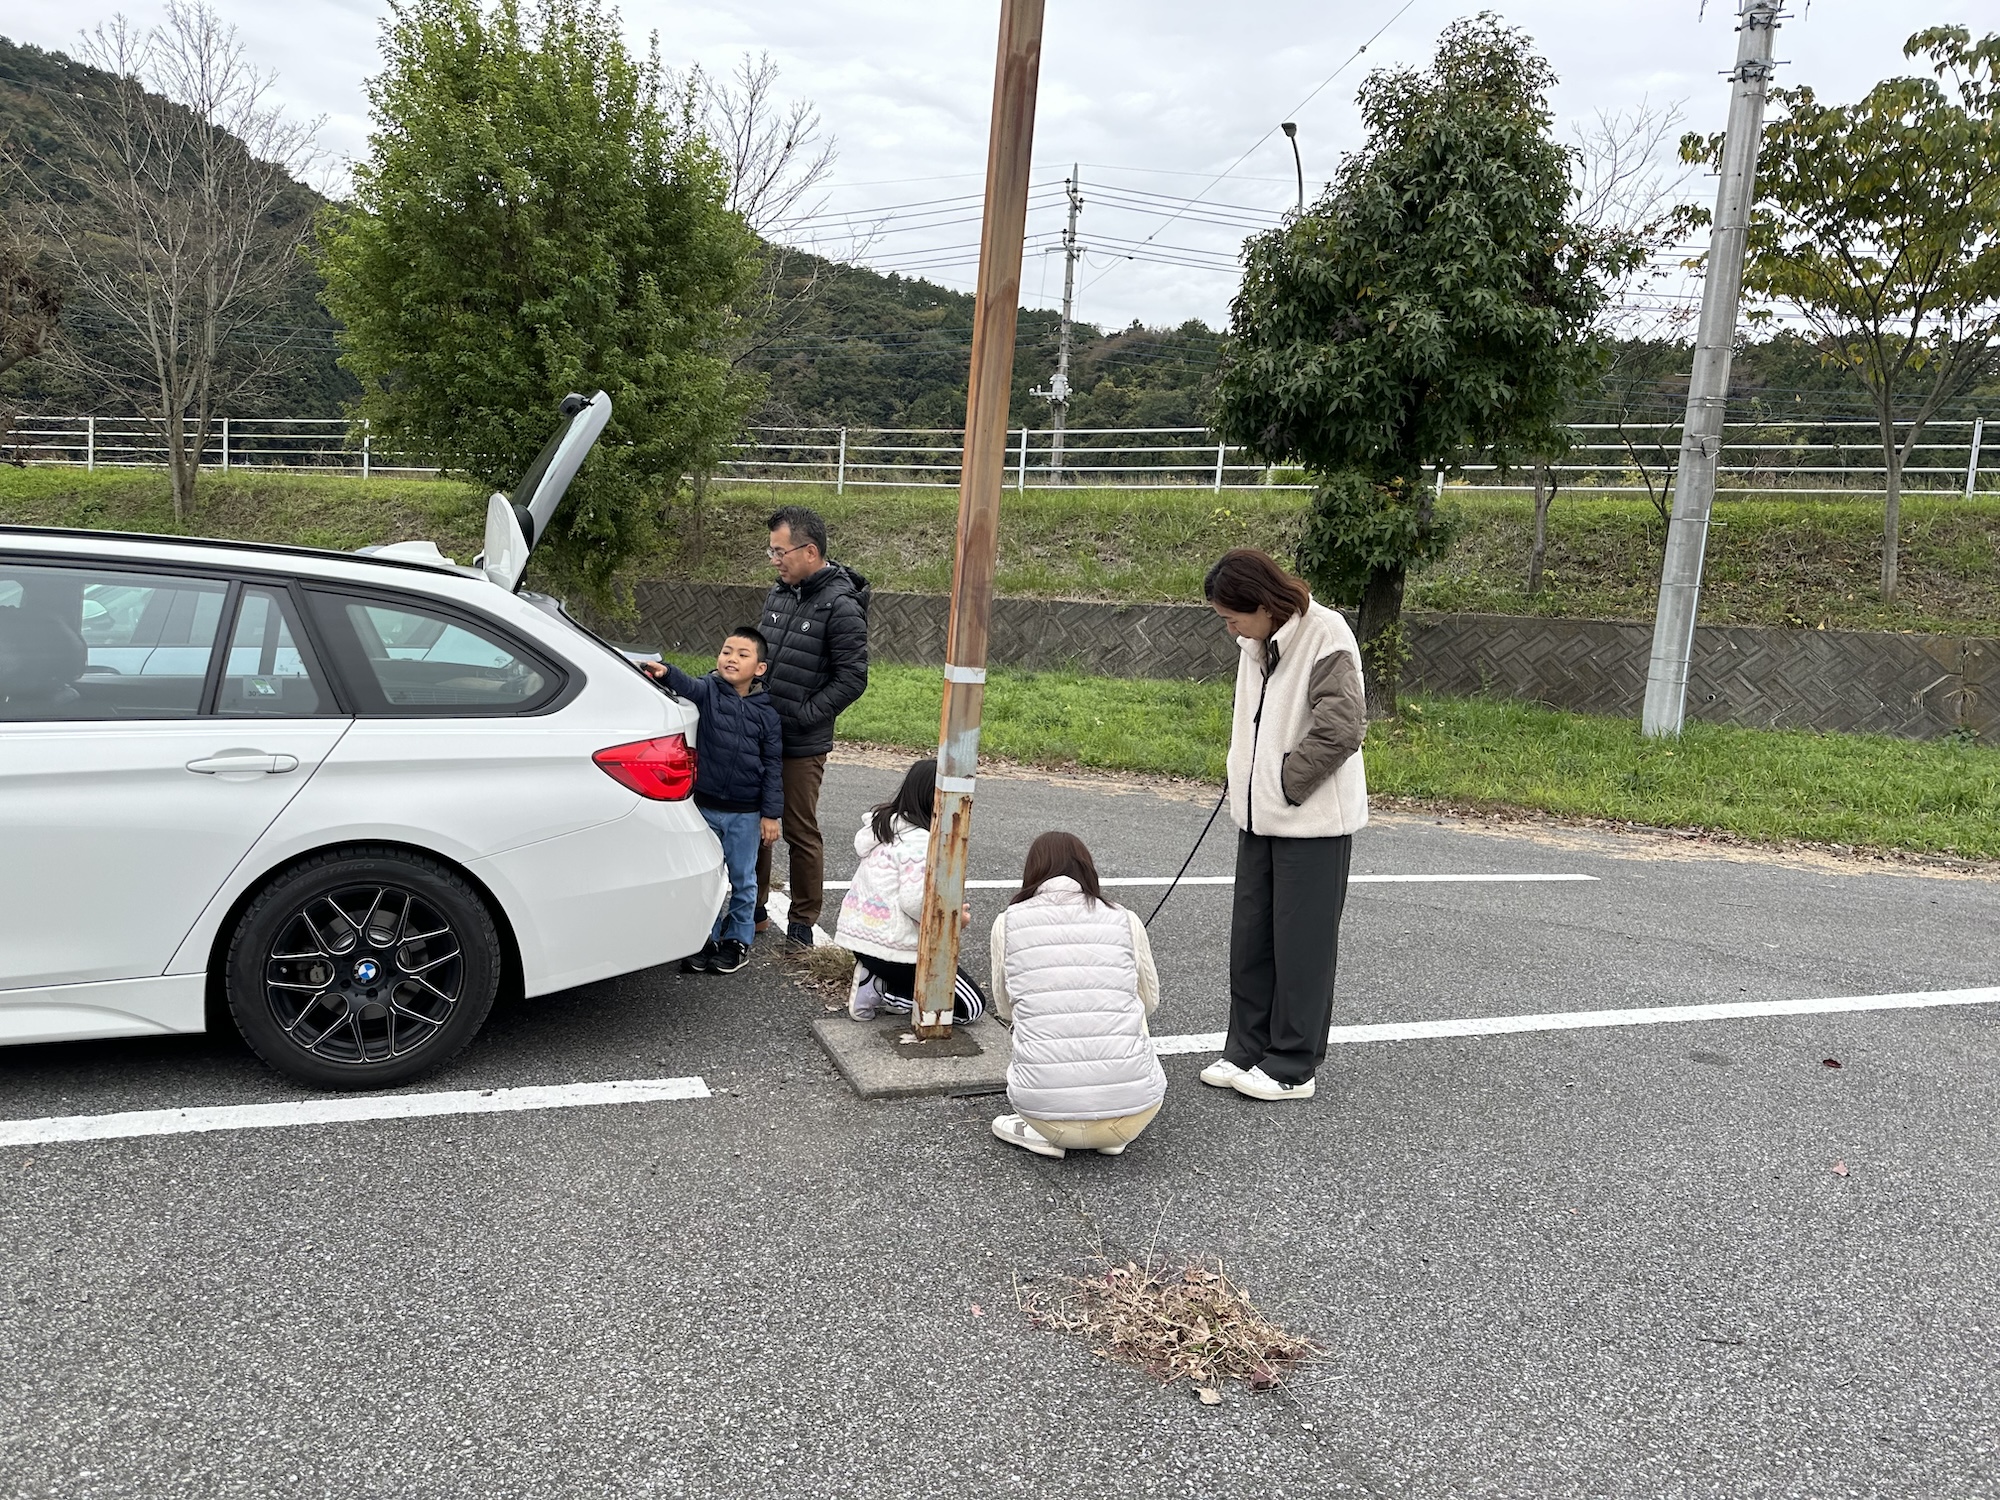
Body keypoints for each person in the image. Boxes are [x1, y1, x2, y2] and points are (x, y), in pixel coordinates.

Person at [1200, 548, 1367, 1103]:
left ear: (1265, 604)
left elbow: (1342, 728)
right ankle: (1247, 1049)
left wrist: (1285, 784)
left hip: (1312, 823)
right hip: (1259, 820)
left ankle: (1293, 1066)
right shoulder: (1256, 643)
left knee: (1302, 949)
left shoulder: (1326, 633)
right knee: (1251, 941)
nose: (1230, 630)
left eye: (1233, 618)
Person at [986, 832, 1167, 1161]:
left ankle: (1046, 1136)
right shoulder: (1124, 918)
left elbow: (1006, 1008)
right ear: (1087, 869)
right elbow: (1150, 1000)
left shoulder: (1007, 923)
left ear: (1032, 871)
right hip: (1134, 1114)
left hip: (1043, 1115)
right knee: (1132, 1007)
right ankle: (1111, 1132)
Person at [638, 627, 783, 975]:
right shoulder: (709, 691)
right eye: (726, 651)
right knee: (706, 877)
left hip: (745, 813)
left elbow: (773, 767)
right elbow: (687, 685)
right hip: (704, 808)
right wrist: (666, 672)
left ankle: (738, 940)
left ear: (759, 668)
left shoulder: (767, 713)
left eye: (742, 655)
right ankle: (705, 938)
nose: (731, 659)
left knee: (743, 879)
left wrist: (770, 815)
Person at [757, 505, 871, 947]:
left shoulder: (841, 605)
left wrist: (804, 715)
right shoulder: (779, 593)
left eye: (780, 551)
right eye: (771, 551)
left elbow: (852, 679)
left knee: (798, 829)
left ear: (809, 551)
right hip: (762, 732)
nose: (774, 560)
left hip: (802, 742)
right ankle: (753, 909)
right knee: (757, 825)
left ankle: (803, 920)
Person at [833, 757, 986, 1024]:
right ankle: (883, 990)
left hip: (861, 939)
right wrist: (952, 921)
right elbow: (915, 902)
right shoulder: (921, 841)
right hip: (893, 949)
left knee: (943, 992)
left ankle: (884, 983)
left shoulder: (886, 826)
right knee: (972, 1006)